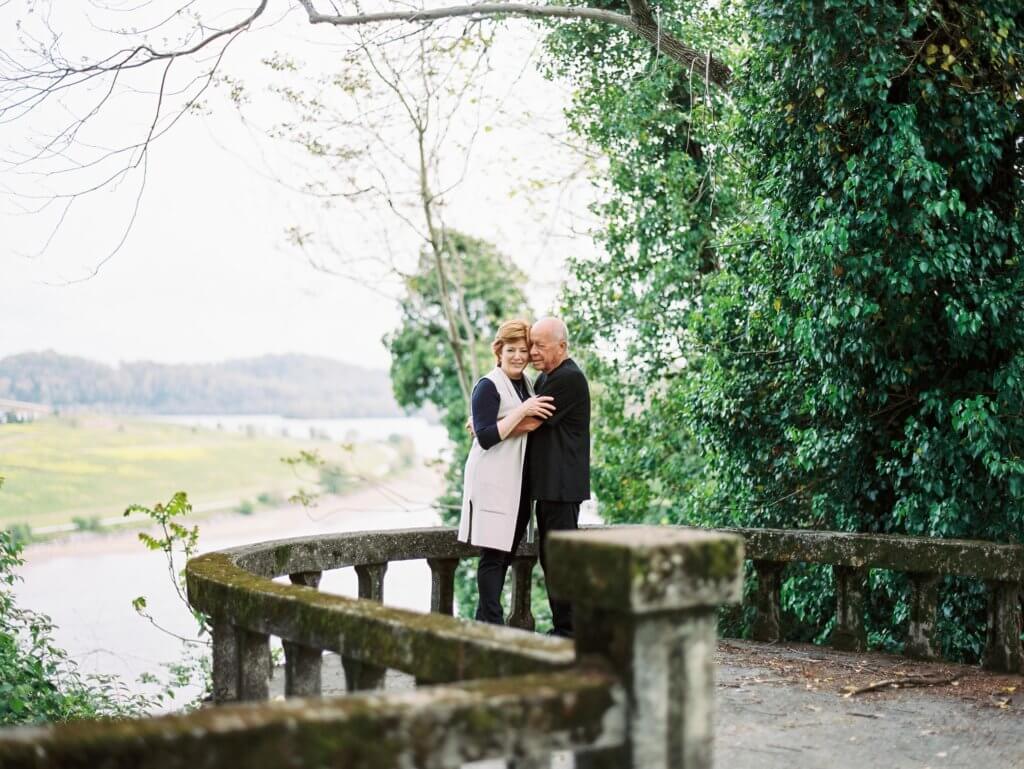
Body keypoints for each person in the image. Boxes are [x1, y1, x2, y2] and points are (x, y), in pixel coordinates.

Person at [457, 319, 555, 624]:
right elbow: (486, 438)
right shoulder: (488, 385)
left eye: (523, 350)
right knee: (493, 555)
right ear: (498, 351)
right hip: (491, 481)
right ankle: (492, 624)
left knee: (506, 554)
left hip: (517, 485)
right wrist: (521, 413)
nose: (517, 356)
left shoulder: (525, 383)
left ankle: (483, 621)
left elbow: (530, 426)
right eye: (511, 349)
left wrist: (503, 421)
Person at [525, 317, 590, 638]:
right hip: (551, 486)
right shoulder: (546, 378)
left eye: (540, 345)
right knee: (550, 558)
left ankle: (571, 630)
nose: (532, 351)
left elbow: (531, 422)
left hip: (562, 485)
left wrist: (488, 428)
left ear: (562, 347)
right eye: (531, 344)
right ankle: (567, 627)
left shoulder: (568, 379)